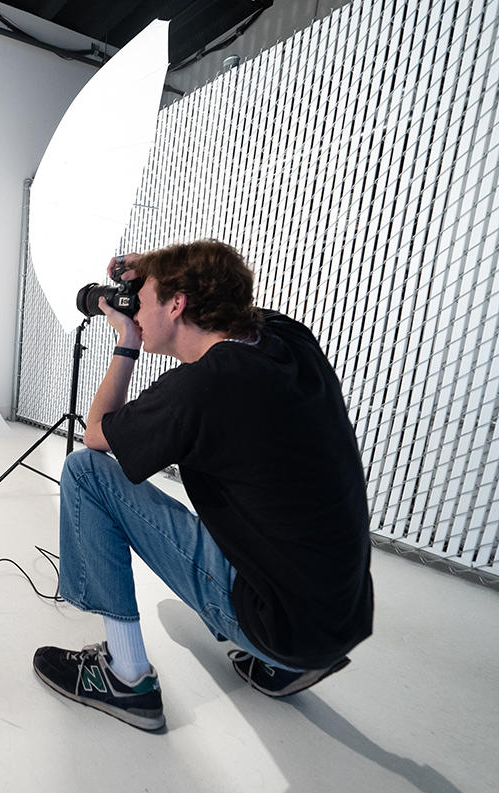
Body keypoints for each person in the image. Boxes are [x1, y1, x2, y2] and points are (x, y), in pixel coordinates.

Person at [33, 239, 373, 731]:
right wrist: (149, 271)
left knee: (86, 472)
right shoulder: (287, 340)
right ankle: (289, 659)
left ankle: (125, 677)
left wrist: (126, 341)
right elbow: (225, 291)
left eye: (142, 301)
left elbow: (95, 433)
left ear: (177, 304)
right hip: (340, 616)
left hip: (281, 625)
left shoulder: (200, 390)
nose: (136, 310)